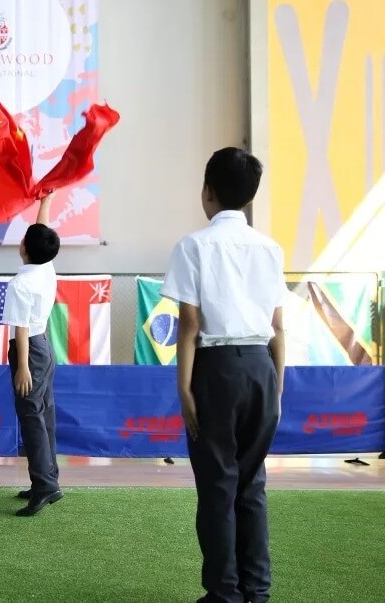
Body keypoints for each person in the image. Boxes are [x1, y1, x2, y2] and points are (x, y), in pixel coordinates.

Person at [161, 147, 285, 603]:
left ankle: (224, 592)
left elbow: (190, 325)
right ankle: (257, 589)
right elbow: (278, 327)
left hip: (215, 370)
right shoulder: (269, 248)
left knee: (217, 485)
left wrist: (184, 389)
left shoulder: (194, 245)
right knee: (252, 484)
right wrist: (277, 386)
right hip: (262, 368)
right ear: (250, 196)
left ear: (207, 191)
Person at [1, 193, 62, 517]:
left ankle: (44, 486)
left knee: (32, 419)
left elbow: (20, 329)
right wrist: (46, 201)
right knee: (44, 416)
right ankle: (48, 479)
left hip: (30, 351)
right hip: (45, 347)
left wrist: (22, 367)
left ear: (25, 248)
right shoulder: (45, 268)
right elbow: (42, 229)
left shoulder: (20, 284)